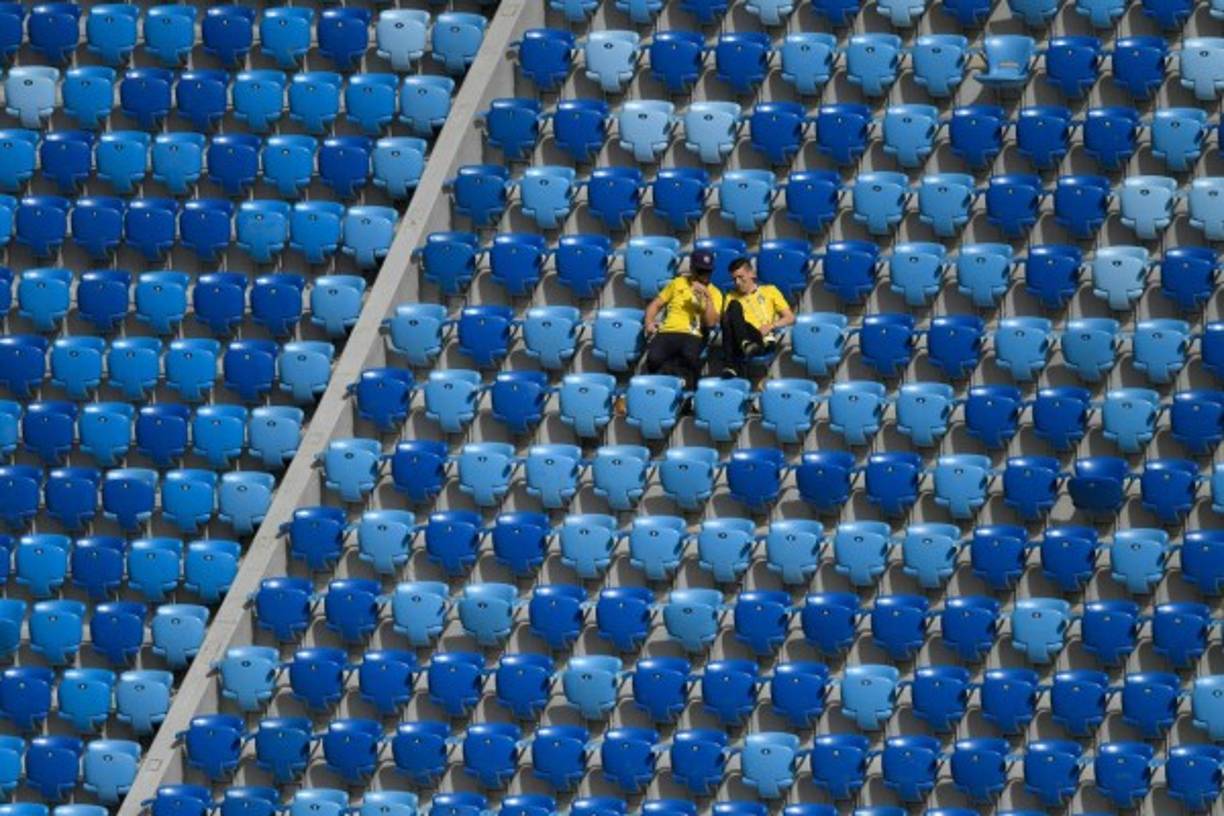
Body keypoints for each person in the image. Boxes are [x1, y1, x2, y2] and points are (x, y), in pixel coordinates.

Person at [643, 249, 723, 389]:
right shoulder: (678, 283)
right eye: (700, 271)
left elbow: (711, 322)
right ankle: (664, 386)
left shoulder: (715, 293)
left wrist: (707, 298)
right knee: (653, 358)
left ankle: (685, 392)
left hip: (693, 333)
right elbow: (656, 304)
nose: (704, 276)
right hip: (668, 331)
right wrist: (649, 322)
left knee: (689, 358)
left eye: (708, 272)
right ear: (692, 269)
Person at [720, 256, 794, 378]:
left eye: (741, 277)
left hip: (760, 338)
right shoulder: (731, 296)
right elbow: (726, 324)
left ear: (752, 274)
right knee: (732, 307)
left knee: (732, 308)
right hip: (738, 343)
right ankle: (744, 344)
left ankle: (730, 364)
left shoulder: (769, 291)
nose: (737, 282)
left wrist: (772, 325)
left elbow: (790, 317)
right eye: (734, 279)